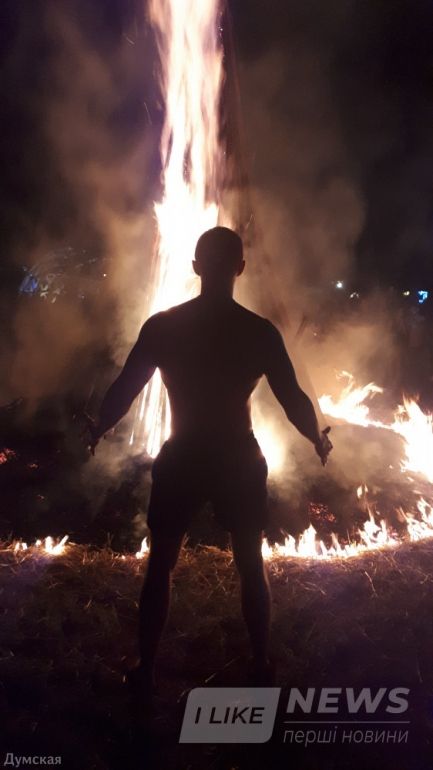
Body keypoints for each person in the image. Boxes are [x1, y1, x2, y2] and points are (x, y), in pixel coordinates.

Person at [87, 226, 332, 698]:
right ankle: (259, 662)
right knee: (249, 561)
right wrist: (315, 437)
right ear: (241, 268)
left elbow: (126, 387)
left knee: (162, 562)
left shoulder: (164, 326)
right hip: (237, 456)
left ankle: (146, 667)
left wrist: (99, 426)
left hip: (184, 454)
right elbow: (292, 397)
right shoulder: (258, 331)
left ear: (196, 266)